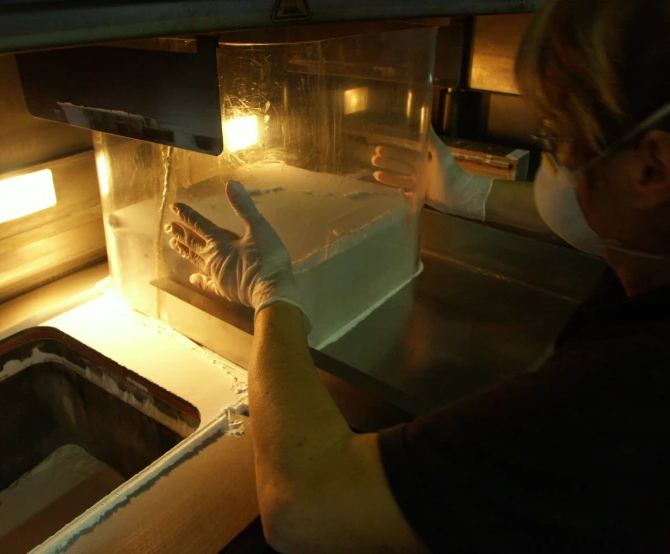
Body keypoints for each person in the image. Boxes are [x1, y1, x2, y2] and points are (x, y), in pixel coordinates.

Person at [165, 0, 670, 551]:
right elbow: (598, 217)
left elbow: (302, 505)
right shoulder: (650, 261)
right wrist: (473, 195)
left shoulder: (629, 395)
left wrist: (273, 296)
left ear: (652, 169)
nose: (556, 164)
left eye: (558, 138)